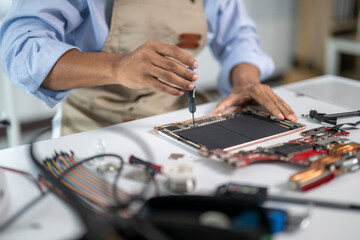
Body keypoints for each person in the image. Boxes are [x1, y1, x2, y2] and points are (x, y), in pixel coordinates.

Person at [0, 0, 297, 136]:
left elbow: (238, 36)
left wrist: (245, 80)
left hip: (176, 120)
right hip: (90, 127)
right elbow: (22, 50)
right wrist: (118, 66)